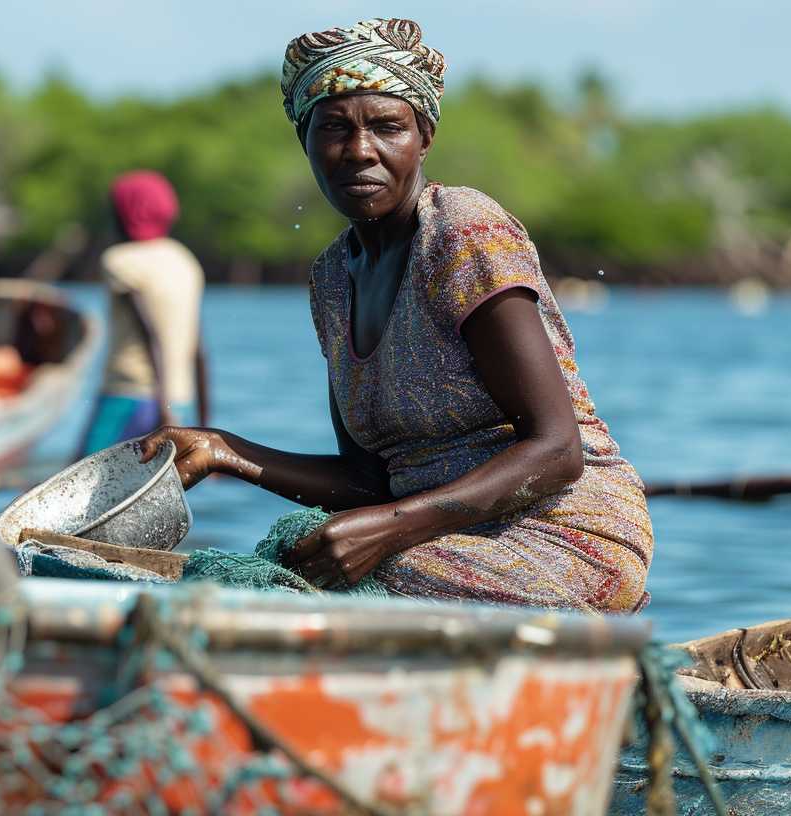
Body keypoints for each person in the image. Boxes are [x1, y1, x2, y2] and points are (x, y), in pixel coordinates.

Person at [141, 18, 652, 613]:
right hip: (429, 538)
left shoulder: (463, 234)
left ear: (424, 136)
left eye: (387, 126)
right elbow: (367, 483)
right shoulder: (332, 279)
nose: (360, 151)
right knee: (296, 560)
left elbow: (558, 450)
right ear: (304, 141)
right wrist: (225, 450)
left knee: (324, 580)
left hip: (566, 533)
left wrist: (387, 528)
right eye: (333, 129)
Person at [80, 171, 209, 455]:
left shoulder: (120, 261)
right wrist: (205, 430)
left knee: (76, 480)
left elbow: (150, 335)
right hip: (180, 399)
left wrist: (164, 411)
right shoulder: (184, 261)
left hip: (129, 396)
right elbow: (198, 348)